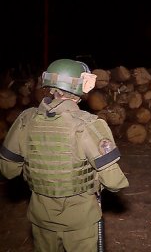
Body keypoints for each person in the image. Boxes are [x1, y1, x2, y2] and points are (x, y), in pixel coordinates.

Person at [0, 59, 129, 252]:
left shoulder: (25, 120)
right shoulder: (88, 125)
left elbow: (8, 170)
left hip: (41, 216)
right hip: (80, 220)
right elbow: (114, 181)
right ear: (77, 86)